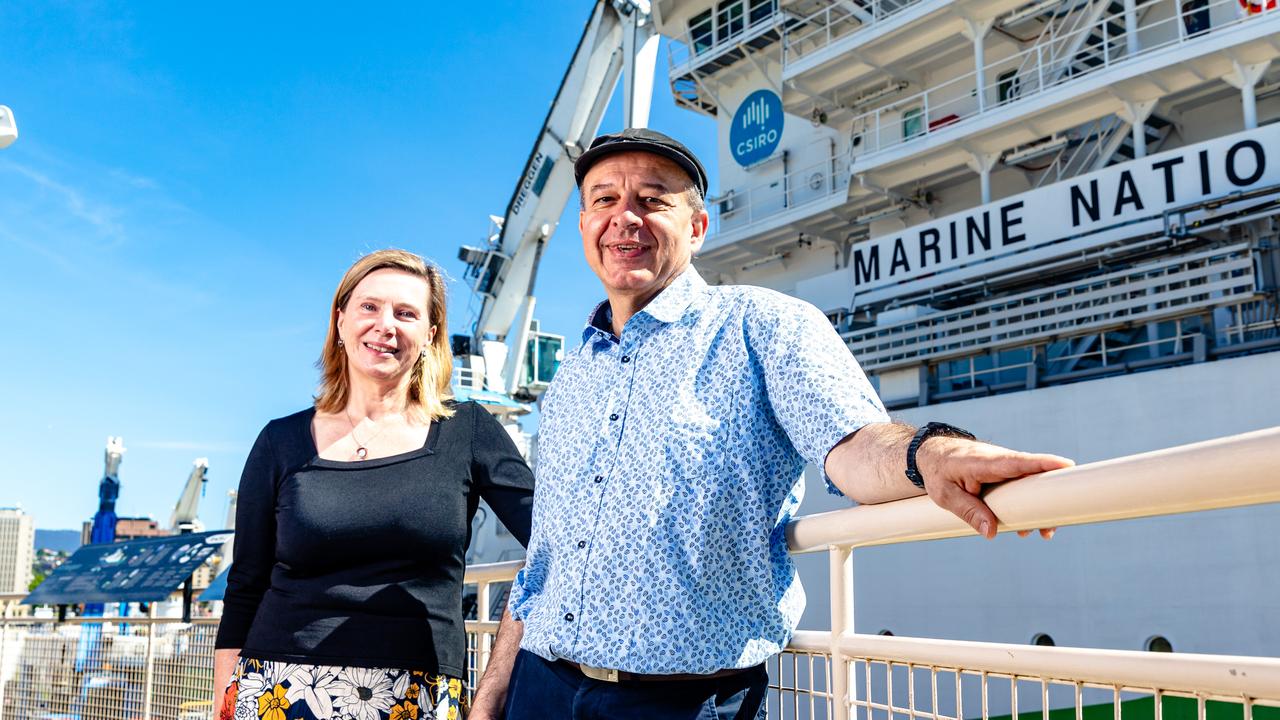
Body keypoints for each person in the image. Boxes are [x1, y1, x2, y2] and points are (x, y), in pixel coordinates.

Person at [480, 129, 1074, 719]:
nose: (624, 218)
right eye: (604, 200)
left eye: (653, 199)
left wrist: (932, 454)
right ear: (584, 224)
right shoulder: (572, 375)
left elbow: (855, 444)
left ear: (696, 227)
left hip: (683, 705)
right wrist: (492, 700)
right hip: (541, 688)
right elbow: (543, 561)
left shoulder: (763, 326)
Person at [213, 249, 534, 720]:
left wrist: (492, 694)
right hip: (278, 688)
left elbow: (559, 547)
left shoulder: (468, 432)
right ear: (340, 321)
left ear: (429, 335)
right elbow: (245, 584)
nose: (386, 324)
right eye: (369, 306)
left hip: (417, 693)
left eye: (406, 313)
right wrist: (227, 697)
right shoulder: (279, 441)